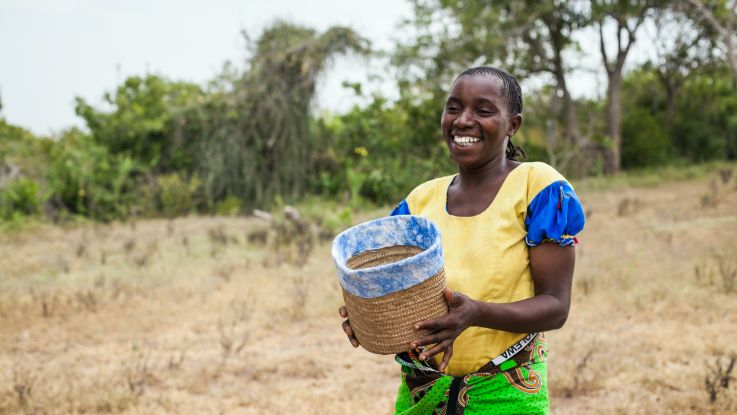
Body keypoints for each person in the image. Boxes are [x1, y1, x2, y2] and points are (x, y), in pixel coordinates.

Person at [339, 66, 585, 415]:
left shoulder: (538, 188)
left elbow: (556, 307)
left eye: (483, 110)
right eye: (453, 108)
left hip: (504, 394)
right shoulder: (420, 202)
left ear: (512, 124)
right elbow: (401, 303)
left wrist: (476, 313)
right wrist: (369, 319)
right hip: (422, 396)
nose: (463, 120)